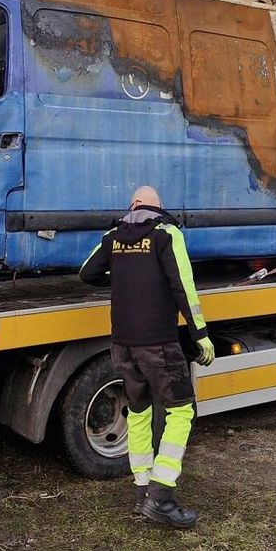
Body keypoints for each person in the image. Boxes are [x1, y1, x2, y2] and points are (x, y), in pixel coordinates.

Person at [79, 185, 215, 529]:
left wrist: (123, 276)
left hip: (123, 345)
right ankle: (161, 497)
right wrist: (200, 334)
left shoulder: (113, 237)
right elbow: (183, 286)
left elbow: (87, 272)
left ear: (132, 206)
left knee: (139, 412)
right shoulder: (167, 234)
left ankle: (142, 492)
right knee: (181, 411)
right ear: (159, 207)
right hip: (158, 343)